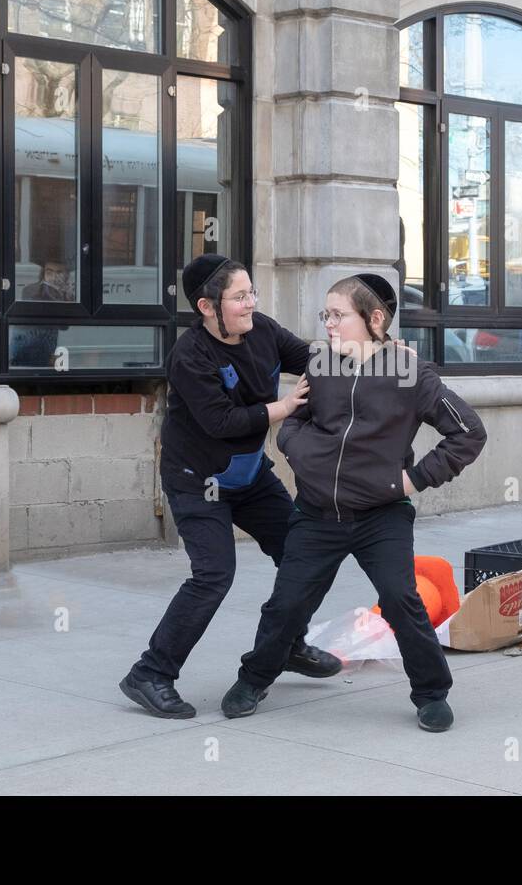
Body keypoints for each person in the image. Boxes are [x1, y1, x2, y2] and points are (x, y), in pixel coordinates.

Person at [221, 274, 486, 732]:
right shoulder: (321, 365)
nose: (328, 324)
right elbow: (292, 423)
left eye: (338, 315)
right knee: (286, 604)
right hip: (316, 513)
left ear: (375, 319)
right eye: (326, 314)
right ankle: (254, 677)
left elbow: (468, 433)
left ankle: (431, 694)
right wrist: (306, 457)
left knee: (403, 601)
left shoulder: (411, 374)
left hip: (382, 516)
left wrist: (413, 479)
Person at [119, 254, 341, 719]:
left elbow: (312, 359)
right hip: (197, 479)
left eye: (252, 292)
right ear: (206, 306)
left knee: (304, 551)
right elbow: (221, 422)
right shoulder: (190, 355)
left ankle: (288, 644)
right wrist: (282, 409)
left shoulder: (263, 330)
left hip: (250, 474)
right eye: (240, 297)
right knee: (214, 576)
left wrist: (362, 353)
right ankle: (151, 673)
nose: (251, 303)